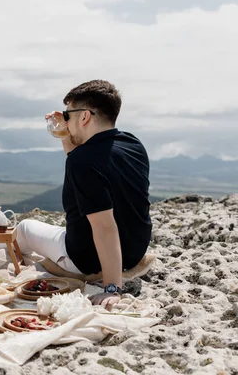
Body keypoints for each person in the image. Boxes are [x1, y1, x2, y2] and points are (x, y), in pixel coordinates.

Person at [17, 80, 152, 309]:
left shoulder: (83, 162)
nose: (66, 122)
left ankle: (5, 249)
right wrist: (64, 132)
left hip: (86, 258)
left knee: (24, 228)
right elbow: (81, 158)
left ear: (85, 116)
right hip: (134, 252)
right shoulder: (133, 144)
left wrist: (112, 289)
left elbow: (105, 228)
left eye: (68, 116)